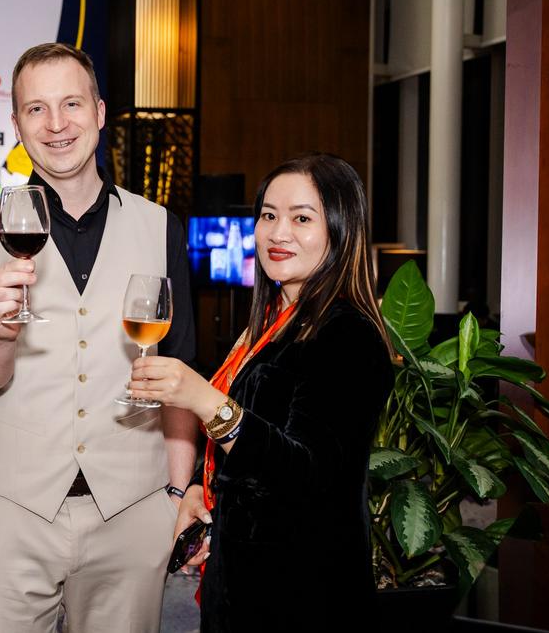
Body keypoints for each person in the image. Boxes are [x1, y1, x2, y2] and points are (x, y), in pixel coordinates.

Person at [0, 42, 198, 632]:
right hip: (9, 512)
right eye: (36, 109)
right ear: (16, 125)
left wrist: (175, 492)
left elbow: (180, 370)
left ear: (100, 111)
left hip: (132, 511)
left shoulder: (160, 226)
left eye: (71, 104)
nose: (56, 124)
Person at [128, 153, 394, 631]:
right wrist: (199, 490)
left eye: (302, 218)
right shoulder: (274, 324)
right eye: (268, 216)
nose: (278, 232)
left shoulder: (348, 335)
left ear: (341, 229)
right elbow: (249, 452)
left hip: (303, 593)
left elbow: (306, 472)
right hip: (244, 585)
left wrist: (203, 399)